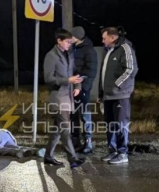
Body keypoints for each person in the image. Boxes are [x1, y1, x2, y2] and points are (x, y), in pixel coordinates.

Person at [43, 29, 85, 169]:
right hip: (59, 98)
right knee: (65, 129)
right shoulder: (51, 56)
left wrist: (77, 85)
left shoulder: (69, 54)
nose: (69, 44)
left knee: (58, 129)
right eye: (67, 42)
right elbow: (48, 79)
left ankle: (48, 156)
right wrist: (67, 80)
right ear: (59, 41)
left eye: (70, 42)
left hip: (68, 97)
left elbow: (75, 72)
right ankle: (73, 158)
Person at [98, 26, 138, 165]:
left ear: (113, 37)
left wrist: (117, 84)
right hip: (108, 96)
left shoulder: (125, 48)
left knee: (121, 124)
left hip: (120, 95)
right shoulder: (108, 51)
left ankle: (122, 153)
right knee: (110, 124)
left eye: (104, 38)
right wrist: (101, 93)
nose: (103, 41)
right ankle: (113, 151)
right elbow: (103, 75)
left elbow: (131, 69)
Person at [70, 26, 98, 154]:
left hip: (83, 88)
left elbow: (91, 71)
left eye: (72, 36)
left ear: (78, 36)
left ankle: (88, 142)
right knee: (73, 114)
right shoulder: (73, 49)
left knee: (85, 115)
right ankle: (75, 140)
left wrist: (82, 85)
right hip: (72, 87)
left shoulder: (89, 51)